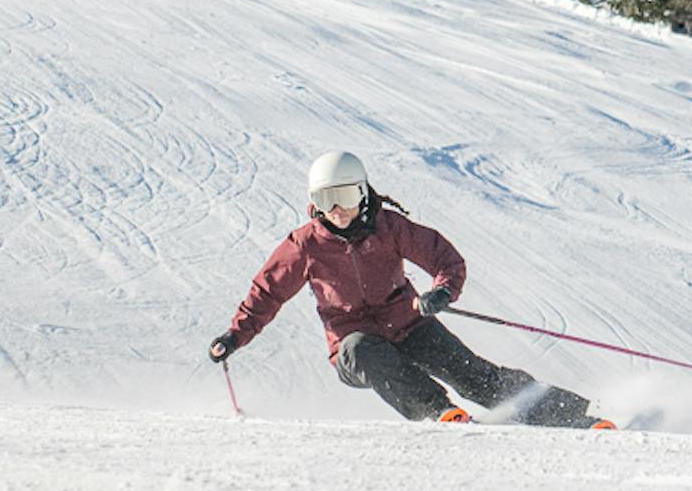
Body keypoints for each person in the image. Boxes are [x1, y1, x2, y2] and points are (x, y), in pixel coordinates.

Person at [212, 150, 608, 428]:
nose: (337, 209)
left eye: (345, 196)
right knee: (366, 351)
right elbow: (268, 293)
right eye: (325, 199)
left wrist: (443, 291)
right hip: (354, 345)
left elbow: (446, 260)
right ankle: (437, 410)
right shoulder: (305, 245)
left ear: (363, 192)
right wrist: (235, 334)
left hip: (409, 324)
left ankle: (569, 415)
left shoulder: (390, 227)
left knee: (473, 375)